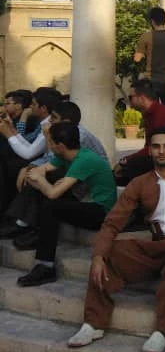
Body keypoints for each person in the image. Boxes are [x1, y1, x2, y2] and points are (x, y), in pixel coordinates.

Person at [66, 128, 165, 352]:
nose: (162, 151)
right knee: (109, 254)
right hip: (155, 246)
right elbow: (112, 223)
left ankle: (163, 331)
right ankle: (94, 323)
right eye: (156, 146)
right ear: (150, 151)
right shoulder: (139, 183)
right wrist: (98, 256)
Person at [13, 122, 117, 288]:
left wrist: (41, 182)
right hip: (82, 201)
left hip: (101, 211)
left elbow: (52, 193)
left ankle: (46, 266)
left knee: (51, 205)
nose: (48, 145)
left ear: (60, 146)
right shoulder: (64, 156)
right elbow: (39, 171)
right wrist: (41, 180)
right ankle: (36, 232)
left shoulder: (85, 159)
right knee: (47, 192)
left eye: (50, 141)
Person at [0, 100, 108, 246]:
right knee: (34, 175)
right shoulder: (61, 132)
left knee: (47, 184)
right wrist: (31, 169)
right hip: (75, 178)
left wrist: (37, 174)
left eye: (54, 118)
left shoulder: (76, 135)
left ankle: (29, 226)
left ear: (66, 122)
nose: (49, 121)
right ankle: (23, 223)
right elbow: (48, 160)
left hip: (88, 192)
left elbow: (48, 161)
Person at [114, 79, 165, 186]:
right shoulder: (152, 114)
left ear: (141, 98)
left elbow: (156, 148)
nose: (129, 101)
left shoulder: (161, 115)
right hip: (158, 159)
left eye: (131, 97)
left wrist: (125, 161)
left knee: (120, 175)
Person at [134, 6, 165, 108]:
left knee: (152, 111)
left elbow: (137, 59)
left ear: (152, 21)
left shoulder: (146, 37)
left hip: (151, 81)